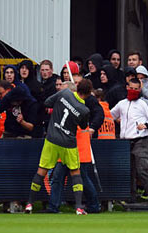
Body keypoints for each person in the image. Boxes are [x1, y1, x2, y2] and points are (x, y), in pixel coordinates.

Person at [25, 79, 92, 215]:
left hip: (52, 139)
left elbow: (47, 102)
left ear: (77, 87)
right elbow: (84, 126)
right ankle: (79, 207)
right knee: (75, 173)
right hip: (69, 143)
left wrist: (60, 107)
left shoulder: (65, 93)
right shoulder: (84, 110)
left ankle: (29, 204)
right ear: (89, 93)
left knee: (41, 170)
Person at [47, 81, 101, 214]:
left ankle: (94, 205)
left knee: (75, 179)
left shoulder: (76, 107)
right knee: (60, 179)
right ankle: (54, 207)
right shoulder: (79, 106)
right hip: (72, 148)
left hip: (76, 150)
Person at [110, 78, 148, 202]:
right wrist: (116, 120)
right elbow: (110, 115)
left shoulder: (144, 103)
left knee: (142, 169)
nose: (133, 91)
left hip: (140, 140)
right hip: (125, 142)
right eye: (131, 88)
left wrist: (146, 125)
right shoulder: (122, 103)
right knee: (128, 171)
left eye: (136, 89)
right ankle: (131, 197)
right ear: (127, 87)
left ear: (140, 89)